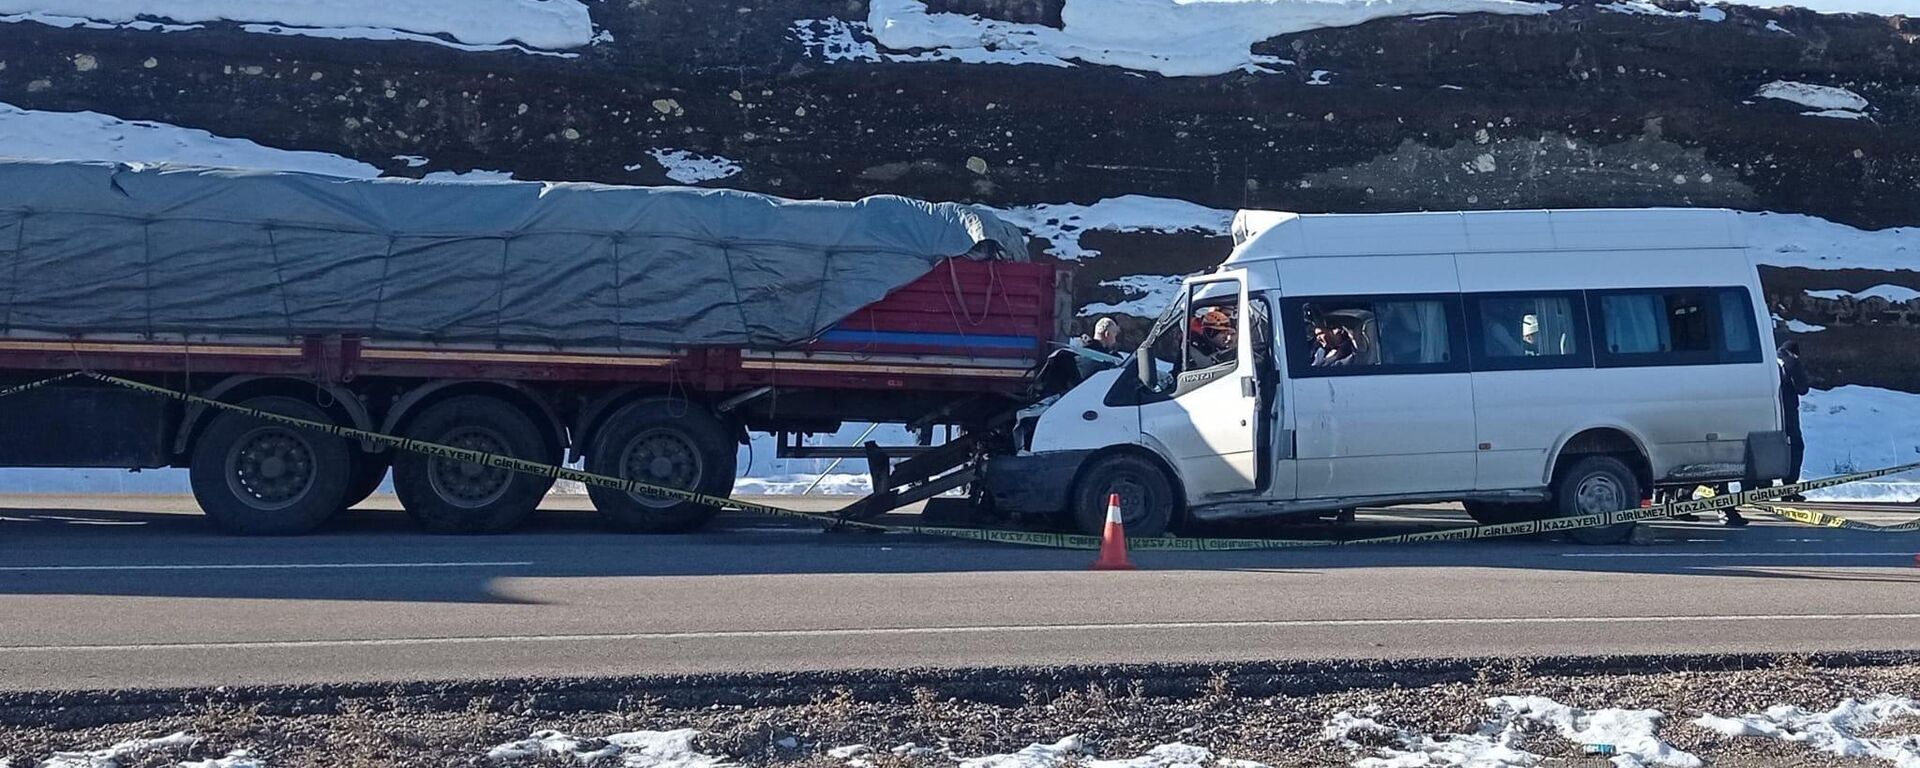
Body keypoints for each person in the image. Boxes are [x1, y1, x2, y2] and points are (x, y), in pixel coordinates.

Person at [1778, 339, 1812, 499]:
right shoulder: (1791, 362)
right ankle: (1789, 487)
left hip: (1767, 410)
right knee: (1796, 447)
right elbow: (1802, 388)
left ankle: (1759, 485)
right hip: (1788, 413)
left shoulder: (1769, 361)